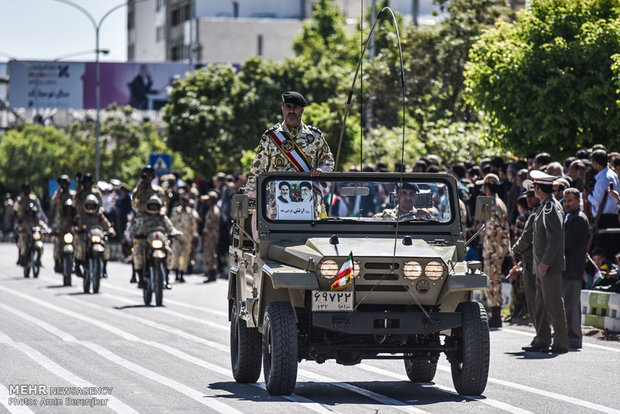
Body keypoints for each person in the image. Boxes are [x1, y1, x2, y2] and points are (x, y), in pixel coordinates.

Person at [245, 91, 335, 200]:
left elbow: (328, 162)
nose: (291, 111)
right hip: (277, 202)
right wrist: (251, 198)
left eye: (295, 107)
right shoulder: (271, 137)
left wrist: (321, 169)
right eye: (288, 106)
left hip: (308, 200)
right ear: (282, 108)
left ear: (302, 109)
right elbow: (258, 169)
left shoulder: (315, 136)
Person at [526, 170, 569, 354]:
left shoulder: (550, 207)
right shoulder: (545, 206)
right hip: (541, 265)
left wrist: (545, 262)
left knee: (553, 304)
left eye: (534, 187)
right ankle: (542, 339)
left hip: (548, 266)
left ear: (538, 188)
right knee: (541, 306)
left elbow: (556, 238)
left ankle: (561, 342)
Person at [478, 173, 510, 328]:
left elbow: (494, 224)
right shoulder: (499, 202)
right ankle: (494, 312)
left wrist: (485, 231)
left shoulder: (493, 203)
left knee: (493, 279)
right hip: (496, 246)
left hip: (494, 247)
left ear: (486, 187)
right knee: (494, 278)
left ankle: (495, 313)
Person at [562, 187, 590, 349]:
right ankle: (566, 335)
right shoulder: (569, 217)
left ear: (578, 201)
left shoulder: (578, 219)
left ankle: (573, 338)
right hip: (566, 268)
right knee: (566, 305)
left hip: (572, 268)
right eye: (565, 201)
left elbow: (566, 243)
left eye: (570, 201)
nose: (567, 204)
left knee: (572, 306)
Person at [133, 195, 179, 289]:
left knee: (170, 253)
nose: (153, 207)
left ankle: (166, 277)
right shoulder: (143, 217)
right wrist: (133, 233)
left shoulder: (163, 217)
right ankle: (141, 279)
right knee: (138, 254)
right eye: (151, 205)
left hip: (161, 242)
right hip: (146, 241)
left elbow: (170, 227)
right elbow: (134, 227)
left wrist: (174, 233)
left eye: (155, 205)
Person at [587, 150, 620, 261]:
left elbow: (597, 201)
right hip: (613, 217)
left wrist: (588, 196)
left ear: (595, 162)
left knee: (603, 253)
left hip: (603, 219)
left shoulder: (603, 178)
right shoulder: (613, 174)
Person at [74, 195, 116, 278]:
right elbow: (77, 225)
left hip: (97, 238)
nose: (90, 207)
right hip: (85, 237)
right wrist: (78, 229)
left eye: (92, 205)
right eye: (89, 205)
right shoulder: (82, 216)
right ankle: (77, 266)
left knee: (105, 246)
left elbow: (107, 225)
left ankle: (104, 268)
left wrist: (111, 231)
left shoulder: (99, 216)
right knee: (80, 245)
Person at [169, 194, 199, 283]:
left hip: (187, 237)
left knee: (184, 256)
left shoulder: (191, 213)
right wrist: (171, 234)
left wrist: (195, 236)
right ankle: (176, 273)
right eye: (182, 201)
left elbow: (194, 225)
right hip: (177, 237)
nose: (184, 203)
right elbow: (171, 223)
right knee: (176, 254)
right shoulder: (175, 211)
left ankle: (181, 273)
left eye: (185, 202)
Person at [50, 175, 75, 273]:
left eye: (66, 184)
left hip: (71, 223)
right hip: (60, 223)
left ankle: (75, 263)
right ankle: (57, 262)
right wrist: (58, 194)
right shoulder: (58, 195)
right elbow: (53, 202)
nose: (64, 186)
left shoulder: (73, 194)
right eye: (62, 184)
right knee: (57, 244)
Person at [16, 203, 50, 268]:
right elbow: (19, 226)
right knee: (23, 245)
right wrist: (20, 229)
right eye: (29, 212)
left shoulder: (36, 220)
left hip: (34, 238)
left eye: (32, 212)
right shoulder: (24, 220)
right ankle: (23, 259)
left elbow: (43, 225)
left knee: (41, 246)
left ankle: (38, 260)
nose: (30, 213)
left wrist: (47, 230)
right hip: (26, 238)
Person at [52, 199, 76, 277]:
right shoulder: (60, 219)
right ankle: (57, 263)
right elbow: (56, 226)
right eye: (67, 208)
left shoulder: (76, 219)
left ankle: (77, 264)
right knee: (57, 247)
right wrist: (55, 231)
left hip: (73, 238)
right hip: (62, 237)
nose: (68, 211)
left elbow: (79, 226)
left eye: (70, 209)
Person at [201, 191, 221, 283]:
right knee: (211, 254)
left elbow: (208, 226)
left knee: (210, 255)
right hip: (212, 236)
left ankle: (211, 274)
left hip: (210, 236)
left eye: (208, 200)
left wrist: (204, 236)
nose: (207, 202)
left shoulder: (213, 211)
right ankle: (211, 274)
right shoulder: (213, 209)